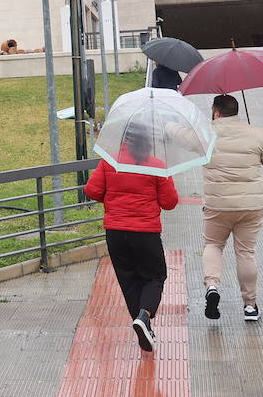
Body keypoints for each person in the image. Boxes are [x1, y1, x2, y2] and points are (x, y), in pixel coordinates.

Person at [85, 121, 179, 352]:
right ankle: (144, 316)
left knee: (128, 279)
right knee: (155, 276)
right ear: (148, 141)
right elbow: (170, 202)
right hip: (145, 233)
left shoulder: (110, 162)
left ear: (124, 139)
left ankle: (142, 324)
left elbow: (92, 190)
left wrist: (113, 201)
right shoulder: (156, 165)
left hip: (116, 233)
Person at [201, 94, 263, 322]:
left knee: (213, 245)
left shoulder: (206, 132)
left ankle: (212, 287)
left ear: (216, 112)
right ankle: (250, 306)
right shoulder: (255, 132)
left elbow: (181, 138)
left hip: (217, 205)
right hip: (250, 206)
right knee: (246, 253)